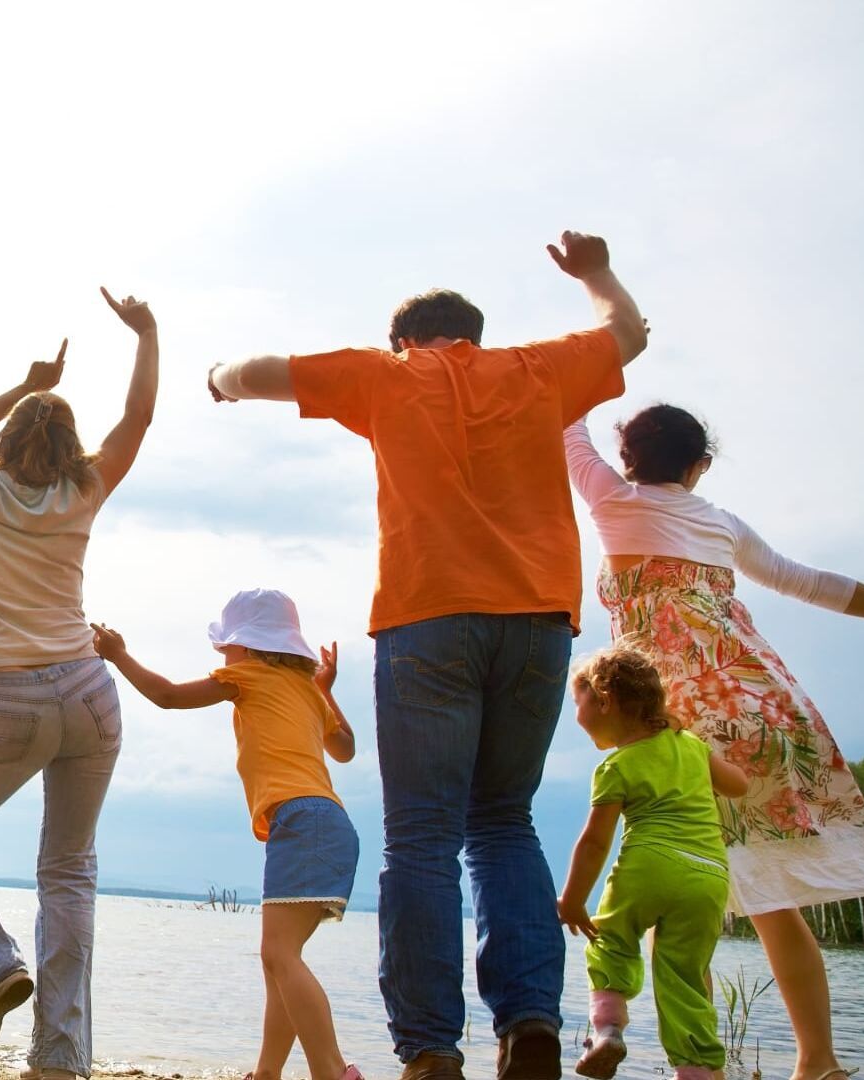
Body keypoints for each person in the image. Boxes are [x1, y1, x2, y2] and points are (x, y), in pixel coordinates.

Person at [206, 232, 648, 1080]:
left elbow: (263, 371)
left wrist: (219, 379)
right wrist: (593, 275)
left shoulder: (386, 374)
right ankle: (529, 1026)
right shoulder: (539, 370)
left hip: (426, 620)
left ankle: (432, 1048)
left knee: (419, 838)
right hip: (538, 625)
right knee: (505, 822)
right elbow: (628, 334)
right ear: (473, 334)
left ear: (404, 340)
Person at [564, 404, 864, 1080]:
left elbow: (565, 427)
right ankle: (819, 1062)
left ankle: (695, 1067)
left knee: (674, 905)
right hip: (763, 707)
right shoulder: (720, 522)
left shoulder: (611, 500)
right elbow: (811, 583)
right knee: (769, 901)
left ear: (628, 460)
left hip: (680, 719)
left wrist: (596, 367)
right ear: (699, 465)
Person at [0, 287, 158, 1080]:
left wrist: (25, 383)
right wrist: (147, 334)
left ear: (10, 438)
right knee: (68, 873)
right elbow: (139, 421)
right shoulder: (82, 492)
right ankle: (59, 1060)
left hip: (8, 699)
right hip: (90, 693)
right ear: (67, 447)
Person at [91, 590, 362, 1080]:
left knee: (279, 956)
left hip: (301, 820)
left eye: (227, 645)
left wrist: (119, 655)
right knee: (278, 961)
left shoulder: (247, 675)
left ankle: (333, 1071)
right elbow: (345, 749)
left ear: (247, 645)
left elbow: (169, 696)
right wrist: (327, 688)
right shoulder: (304, 688)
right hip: (328, 824)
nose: (222, 654)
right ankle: (267, 1073)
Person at [555, 643, 749, 1080]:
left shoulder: (616, 767)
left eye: (578, 702)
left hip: (649, 864)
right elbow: (738, 786)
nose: (576, 715)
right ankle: (697, 1070)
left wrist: (573, 900)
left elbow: (594, 843)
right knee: (685, 982)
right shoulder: (694, 747)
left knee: (611, 939)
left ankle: (606, 1031)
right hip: (707, 877)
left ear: (603, 700)